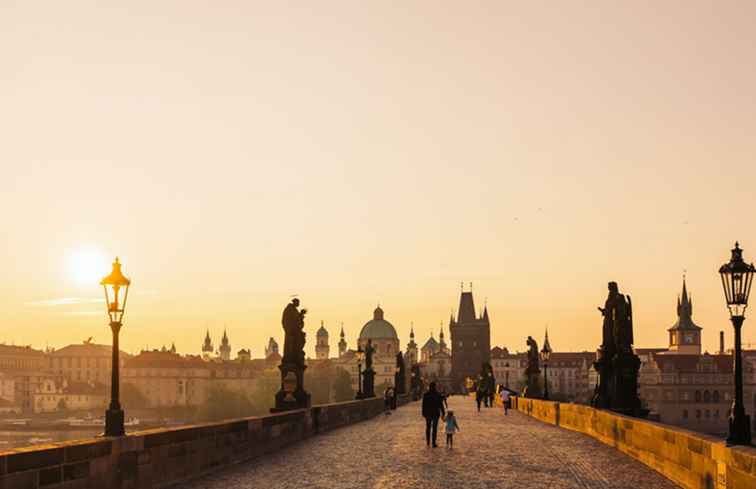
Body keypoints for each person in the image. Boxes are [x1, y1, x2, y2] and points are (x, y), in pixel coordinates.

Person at [422, 382, 446, 447]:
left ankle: (428, 442)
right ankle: (433, 443)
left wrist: (423, 413)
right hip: (435, 413)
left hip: (428, 413)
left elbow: (423, 405)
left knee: (428, 427)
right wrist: (443, 413)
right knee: (434, 428)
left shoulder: (426, 394)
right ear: (435, 387)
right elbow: (441, 405)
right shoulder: (438, 394)